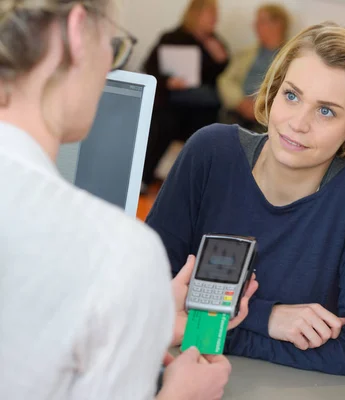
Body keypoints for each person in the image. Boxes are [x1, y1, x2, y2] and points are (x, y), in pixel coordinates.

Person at [0, 1, 257, 399]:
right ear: (76, 31)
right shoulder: (116, 253)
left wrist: (141, 313)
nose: (111, 64)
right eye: (114, 45)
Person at [146, 22, 345, 376]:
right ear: (274, 89)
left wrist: (208, 328)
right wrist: (267, 318)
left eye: (326, 110)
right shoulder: (210, 153)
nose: (298, 123)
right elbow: (149, 297)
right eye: (292, 95)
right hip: (182, 377)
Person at [141, 0, 229, 190]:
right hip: (172, 102)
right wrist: (169, 82)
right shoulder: (171, 37)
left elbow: (221, 76)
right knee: (163, 124)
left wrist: (221, 58)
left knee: (207, 132)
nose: (215, 19)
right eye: (211, 14)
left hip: (201, 107)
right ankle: (143, 179)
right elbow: (150, 67)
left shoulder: (215, 42)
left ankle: (196, 188)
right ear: (196, 14)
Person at [217, 3, 290, 132]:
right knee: (224, 135)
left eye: (261, 21)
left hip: (268, 115)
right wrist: (240, 102)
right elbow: (225, 80)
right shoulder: (246, 53)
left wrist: (261, 106)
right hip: (238, 109)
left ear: (278, 24)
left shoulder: (290, 58)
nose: (255, 26)